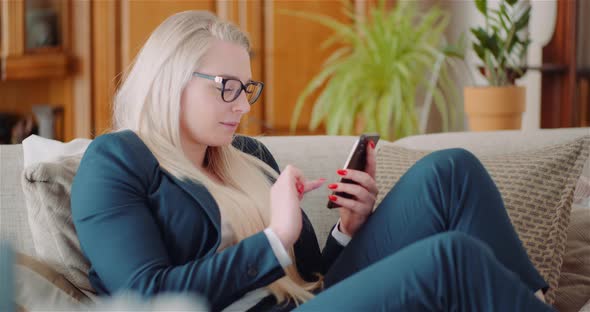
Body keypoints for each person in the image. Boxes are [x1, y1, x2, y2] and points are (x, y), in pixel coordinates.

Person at [71, 11, 555, 312]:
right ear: (170, 78)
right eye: (228, 88)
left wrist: (347, 229)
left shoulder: (248, 156)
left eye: (249, 89)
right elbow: (149, 298)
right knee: (451, 258)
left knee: (451, 171)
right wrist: (274, 239)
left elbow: (313, 280)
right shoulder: (116, 162)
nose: (243, 106)